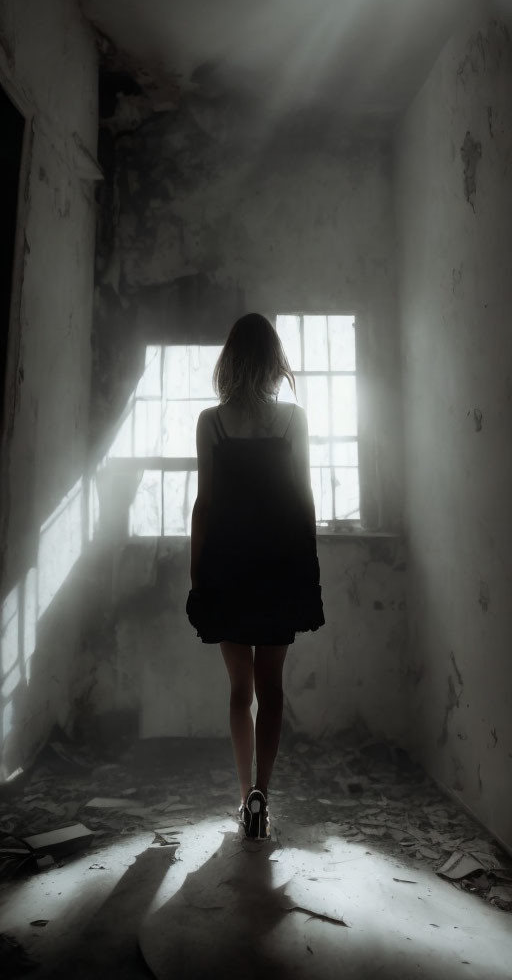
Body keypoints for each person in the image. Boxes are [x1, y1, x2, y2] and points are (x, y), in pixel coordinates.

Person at [186, 313, 325, 840]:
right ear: (275, 362)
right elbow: (304, 498)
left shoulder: (212, 422)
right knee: (272, 688)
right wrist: (306, 568)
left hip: (227, 564)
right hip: (277, 564)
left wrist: (198, 574)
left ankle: (243, 797)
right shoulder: (292, 420)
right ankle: (263, 795)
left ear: (229, 361)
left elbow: (204, 504)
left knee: (239, 690)